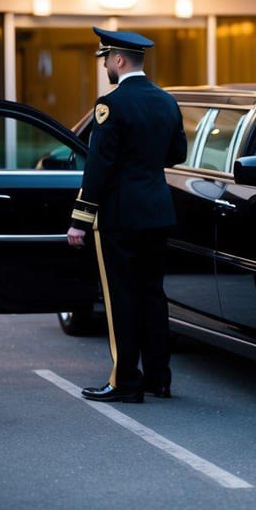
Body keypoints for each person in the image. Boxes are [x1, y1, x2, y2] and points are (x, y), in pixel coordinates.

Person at [66, 27, 187, 403]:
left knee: (121, 299)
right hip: (157, 212)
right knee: (152, 295)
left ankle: (125, 383)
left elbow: (98, 169)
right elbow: (177, 154)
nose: (105, 65)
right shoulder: (167, 101)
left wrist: (80, 219)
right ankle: (159, 378)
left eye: (106, 59)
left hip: (119, 217)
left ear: (119, 60)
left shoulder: (111, 105)